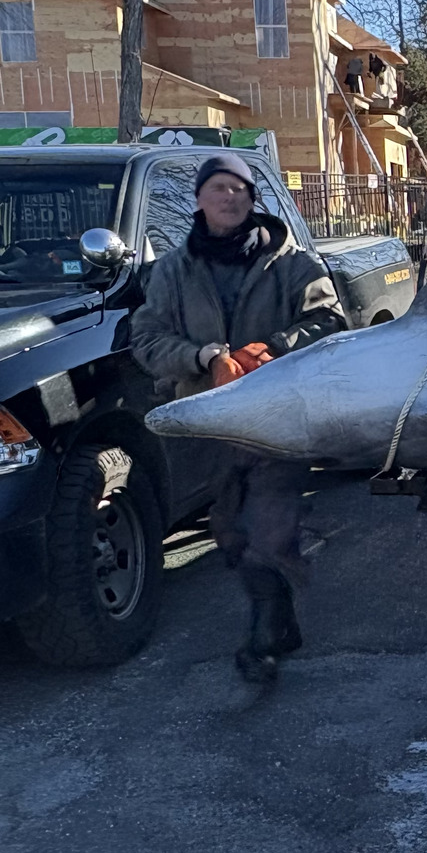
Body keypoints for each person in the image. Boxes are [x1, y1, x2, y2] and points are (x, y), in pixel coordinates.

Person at [131, 153, 346, 683]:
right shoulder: (172, 272)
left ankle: (263, 639)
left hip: (278, 419)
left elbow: (331, 322)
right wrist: (201, 358)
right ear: (200, 199)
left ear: (254, 200)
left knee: (269, 531)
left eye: (241, 190)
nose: (231, 197)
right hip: (206, 421)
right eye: (220, 188)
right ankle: (282, 619)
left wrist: (272, 349)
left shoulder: (294, 264)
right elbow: (147, 339)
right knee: (228, 532)